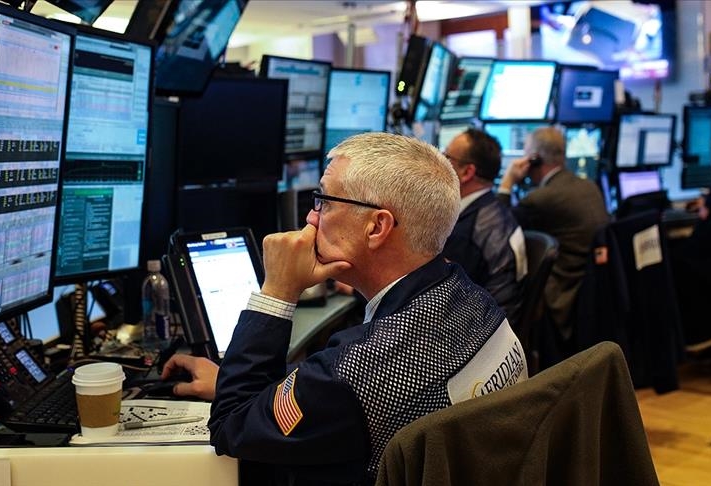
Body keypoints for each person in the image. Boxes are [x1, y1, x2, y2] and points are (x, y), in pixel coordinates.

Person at [162, 132, 528, 485]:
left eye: (324, 201)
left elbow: (232, 425)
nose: (311, 218)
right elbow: (337, 385)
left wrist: (277, 292)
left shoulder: (354, 375)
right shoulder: (472, 299)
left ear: (377, 226)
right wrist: (238, 382)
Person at [497, 126, 609, 363]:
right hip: (589, 289)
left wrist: (507, 182)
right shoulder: (589, 186)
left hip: (560, 293)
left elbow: (499, 227)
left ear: (534, 159)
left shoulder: (541, 199)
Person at [442, 128, 527, 327]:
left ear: (467, 172)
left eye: (447, 157)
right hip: (498, 325)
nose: (440, 163)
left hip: (479, 332)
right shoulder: (494, 211)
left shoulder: (466, 233)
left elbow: (438, 299)